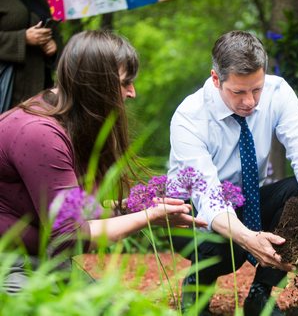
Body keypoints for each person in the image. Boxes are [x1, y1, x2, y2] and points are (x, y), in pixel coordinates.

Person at [0, 30, 207, 293]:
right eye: (124, 82)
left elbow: (73, 212)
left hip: (41, 260)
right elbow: (69, 235)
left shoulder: (68, 121)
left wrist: (131, 209)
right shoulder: (40, 133)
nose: (132, 92)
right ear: (93, 84)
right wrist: (146, 217)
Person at [168, 30, 298, 316]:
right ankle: (197, 286)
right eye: (238, 92)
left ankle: (260, 294)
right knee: (229, 245)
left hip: (249, 201)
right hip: (192, 214)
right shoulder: (189, 118)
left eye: (257, 89)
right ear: (216, 79)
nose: (251, 102)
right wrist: (248, 239)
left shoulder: (278, 92)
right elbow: (209, 199)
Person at [0, 0, 62, 112]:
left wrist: (53, 45)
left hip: (40, 81)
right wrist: (23, 38)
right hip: (8, 84)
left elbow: (54, 31)